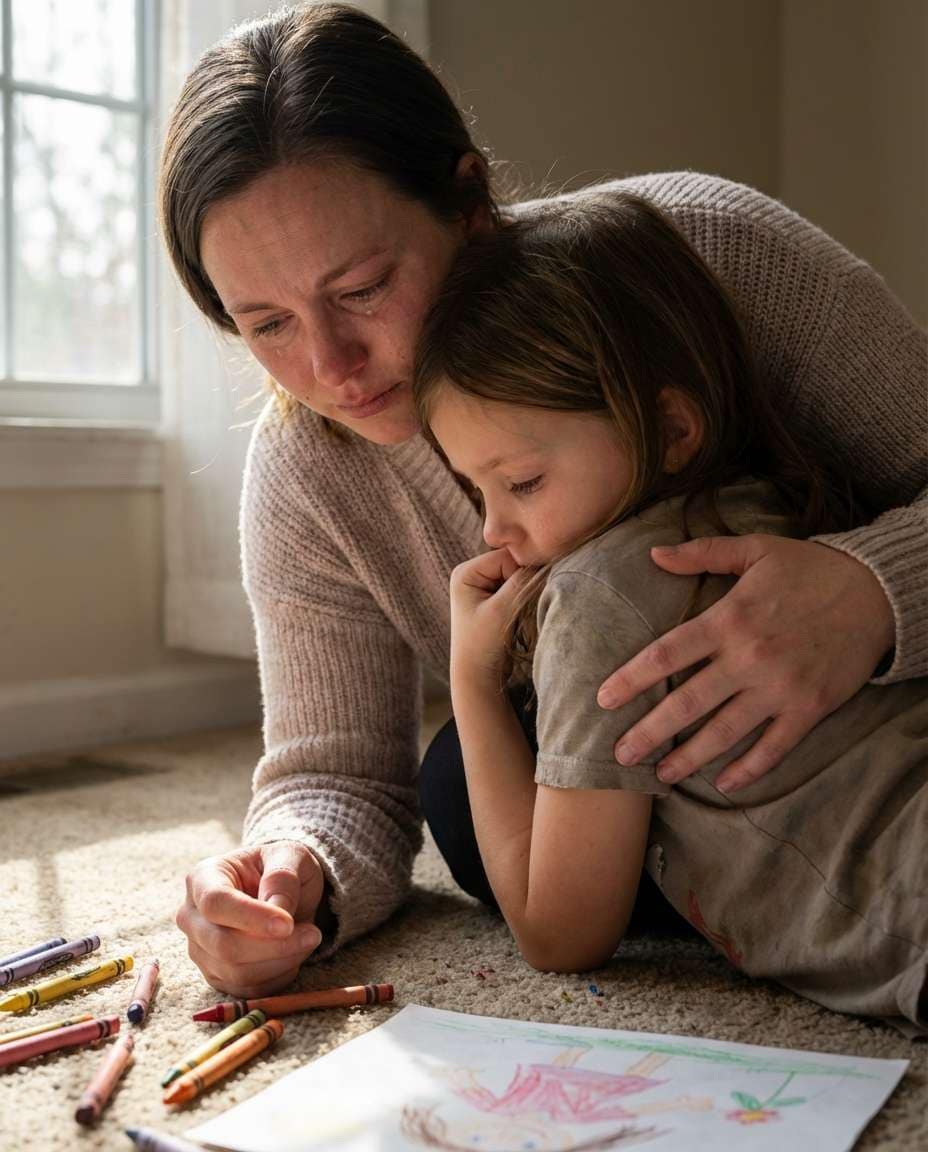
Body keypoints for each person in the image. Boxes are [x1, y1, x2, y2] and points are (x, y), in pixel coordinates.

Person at [159, 2, 927, 1000]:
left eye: (358, 291)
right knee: (457, 788)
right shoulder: (309, 473)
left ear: (467, 200)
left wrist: (870, 594)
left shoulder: (705, 254)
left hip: (883, 721)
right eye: (265, 324)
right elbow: (335, 774)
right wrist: (288, 871)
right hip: (634, 798)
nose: (330, 368)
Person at [412, 191, 928, 1034]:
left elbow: (559, 930)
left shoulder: (598, 599)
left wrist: (470, 677)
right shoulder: (774, 502)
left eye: (524, 483)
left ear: (670, 428)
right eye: (478, 490)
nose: (493, 530)